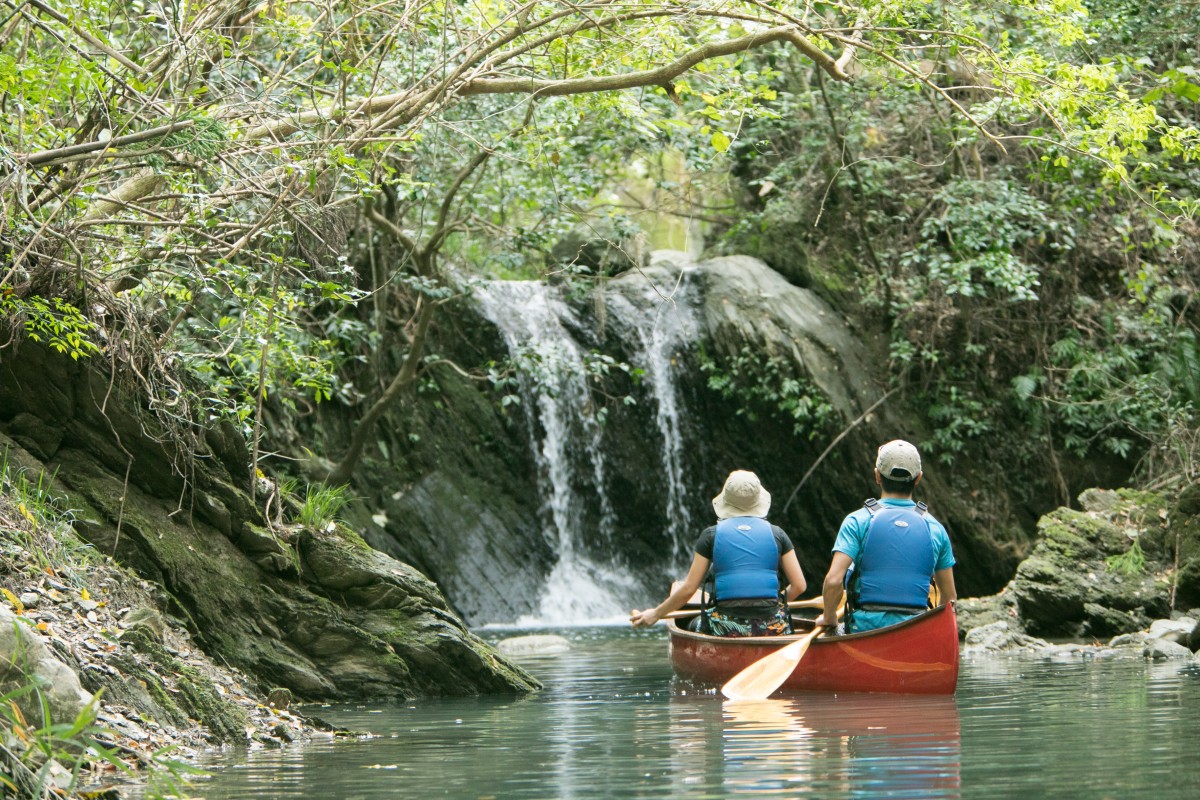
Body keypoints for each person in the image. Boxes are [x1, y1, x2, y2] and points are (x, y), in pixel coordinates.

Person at [630, 470, 807, 636]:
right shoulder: (778, 534)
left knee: (690, 623)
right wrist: (776, 604)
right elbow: (799, 586)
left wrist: (655, 614)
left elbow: (689, 589)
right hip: (772, 626)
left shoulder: (711, 535)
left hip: (725, 628)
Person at [814, 440, 956, 634]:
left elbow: (833, 581)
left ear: (877, 476)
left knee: (836, 629)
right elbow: (949, 600)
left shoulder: (857, 521)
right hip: (917, 630)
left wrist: (829, 617)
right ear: (918, 478)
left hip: (863, 629)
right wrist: (933, 631)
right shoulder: (935, 529)